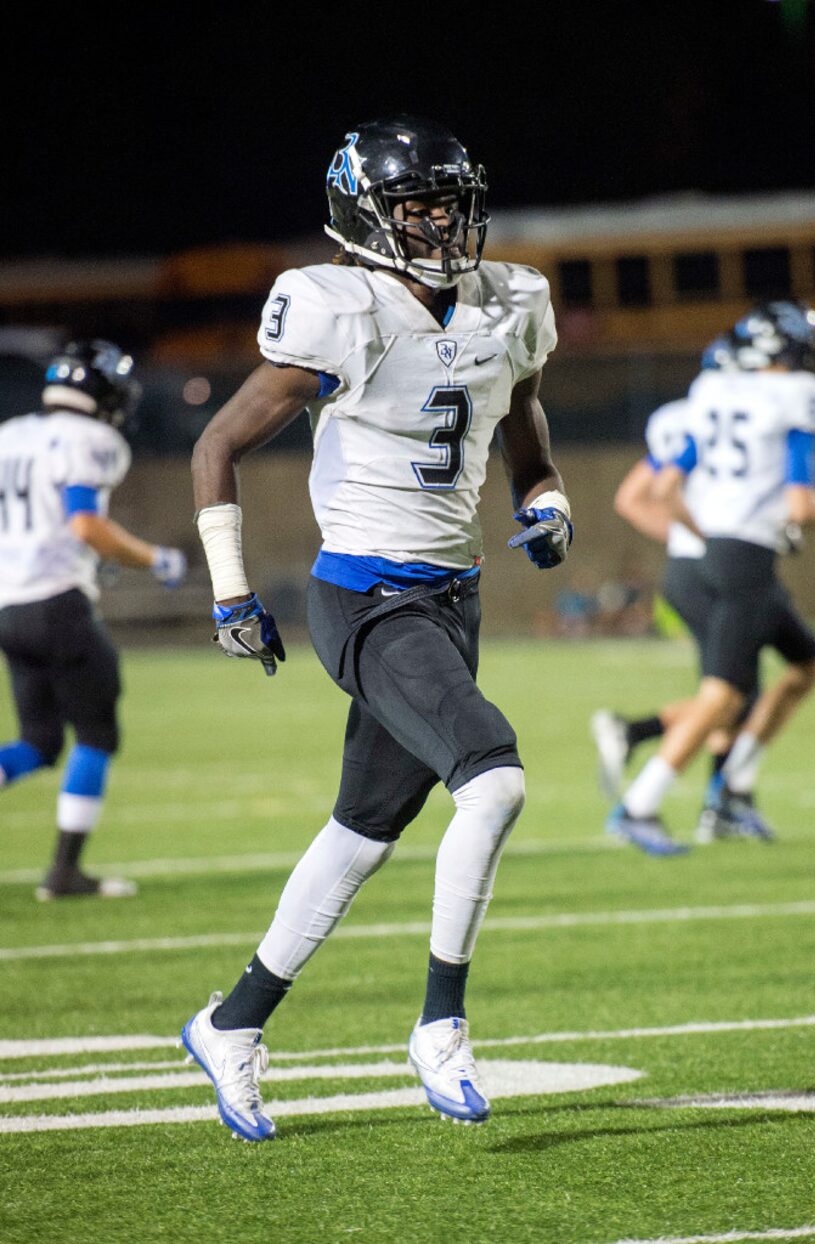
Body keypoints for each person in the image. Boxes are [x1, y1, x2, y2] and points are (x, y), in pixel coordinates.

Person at [180, 115, 572, 1142]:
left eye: (449, 202)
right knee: (493, 778)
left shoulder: (507, 299)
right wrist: (230, 592)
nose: (439, 222)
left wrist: (547, 493)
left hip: (451, 595)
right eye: (414, 207)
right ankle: (440, 1020)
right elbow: (217, 442)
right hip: (364, 595)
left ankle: (232, 1021)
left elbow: (517, 406)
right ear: (364, 217)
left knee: (361, 833)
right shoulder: (338, 307)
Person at [606, 301, 815, 853]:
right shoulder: (796, 399)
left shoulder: (710, 396)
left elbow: (660, 491)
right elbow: (801, 505)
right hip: (745, 557)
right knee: (726, 694)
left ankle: (730, 792)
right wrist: (756, 524)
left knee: (806, 664)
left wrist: (705, 532)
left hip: (712, 554)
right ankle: (639, 804)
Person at [0, 339, 187, 899]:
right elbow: (85, 525)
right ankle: (63, 872)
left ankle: (64, 871)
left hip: (7, 603)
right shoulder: (90, 438)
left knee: (38, 743)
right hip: (55, 600)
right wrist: (156, 558)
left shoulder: (10, 435)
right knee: (98, 733)